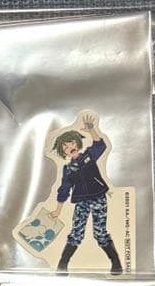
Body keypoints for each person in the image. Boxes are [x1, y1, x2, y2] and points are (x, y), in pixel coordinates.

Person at [50, 113, 122, 273]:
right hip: (81, 201)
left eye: (71, 143)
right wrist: (57, 210)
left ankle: (116, 262)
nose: (70, 147)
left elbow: (100, 146)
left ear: (77, 142)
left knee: (100, 232)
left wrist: (91, 129)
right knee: (76, 232)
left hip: (98, 197)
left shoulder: (89, 155)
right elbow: (64, 189)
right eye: (65, 147)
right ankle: (62, 264)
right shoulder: (68, 169)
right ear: (64, 152)